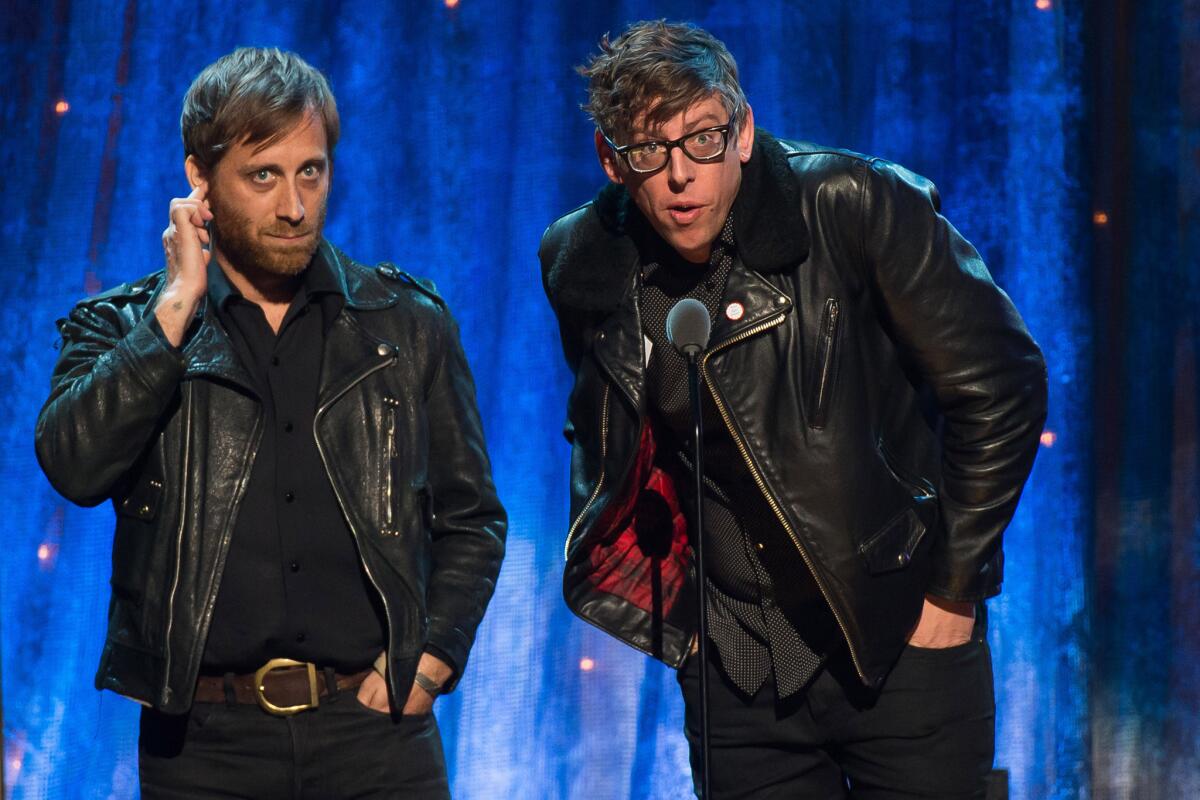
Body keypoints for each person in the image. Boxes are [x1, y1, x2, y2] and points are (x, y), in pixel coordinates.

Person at [540, 21, 1047, 799]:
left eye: (704, 138)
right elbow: (616, 440)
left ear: (742, 131)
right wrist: (690, 630)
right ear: (612, 162)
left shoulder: (852, 204)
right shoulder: (586, 263)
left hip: (899, 637)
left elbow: (1002, 384)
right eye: (650, 150)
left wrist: (953, 590)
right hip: (738, 667)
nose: (682, 175)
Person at [35, 47, 505, 799]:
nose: (295, 205)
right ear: (200, 179)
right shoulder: (124, 326)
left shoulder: (404, 324)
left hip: (376, 735)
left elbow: (472, 517)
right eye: (264, 176)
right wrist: (174, 311)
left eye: (310, 172)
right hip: (205, 748)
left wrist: (435, 656)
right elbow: (74, 467)